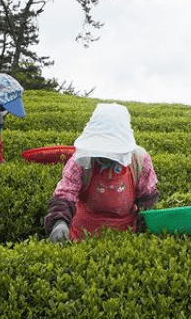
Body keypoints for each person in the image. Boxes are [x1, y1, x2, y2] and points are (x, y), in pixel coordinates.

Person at [45, 103, 159, 243]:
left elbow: (147, 199)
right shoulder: (80, 160)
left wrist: (144, 227)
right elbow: (66, 194)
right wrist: (59, 222)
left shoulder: (139, 160)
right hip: (82, 235)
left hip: (125, 236)